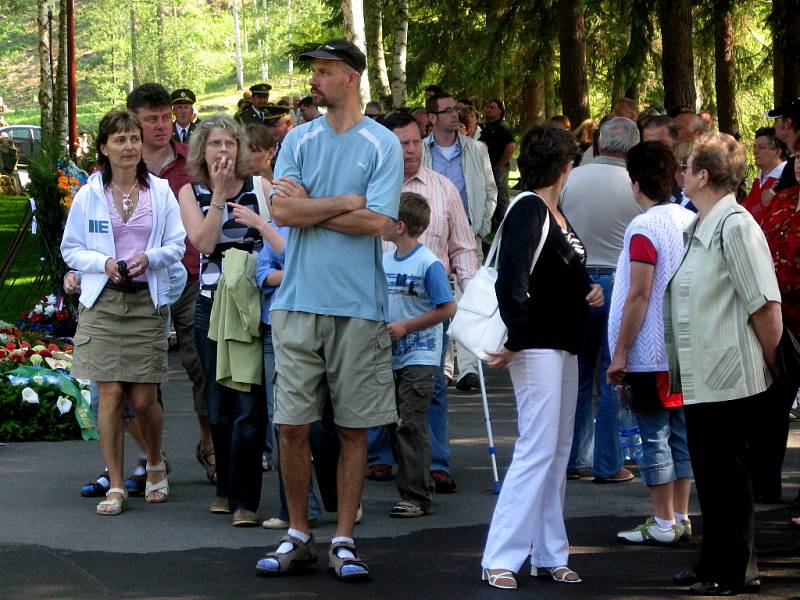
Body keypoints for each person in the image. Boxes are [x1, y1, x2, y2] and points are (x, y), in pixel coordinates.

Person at [254, 38, 402, 581]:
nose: (314, 80)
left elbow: (381, 223)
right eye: (313, 71)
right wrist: (345, 201)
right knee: (290, 426)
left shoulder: (382, 144)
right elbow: (283, 211)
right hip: (297, 303)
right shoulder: (298, 139)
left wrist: (307, 207)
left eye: (325, 71)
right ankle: (298, 534)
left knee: (354, 430)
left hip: (359, 307)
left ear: (352, 78)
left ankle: (343, 538)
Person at [480, 125, 603, 590]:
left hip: (561, 342)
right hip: (537, 345)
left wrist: (585, 288)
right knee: (537, 449)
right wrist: (516, 338)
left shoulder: (553, 210)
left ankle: (551, 552)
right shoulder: (530, 208)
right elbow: (510, 281)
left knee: (555, 450)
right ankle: (501, 555)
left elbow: (554, 273)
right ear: (565, 166)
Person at [665, 132, 782, 596]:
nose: (681, 171)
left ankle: (736, 570)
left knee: (729, 480)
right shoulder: (702, 224)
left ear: (704, 175)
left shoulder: (735, 225)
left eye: (688, 164)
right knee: (712, 477)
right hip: (704, 377)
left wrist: (774, 368)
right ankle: (712, 561)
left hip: (732, 377)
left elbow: (765, 306)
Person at [61, 108, 186, 515]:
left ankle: (154, 463)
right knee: (110, 395)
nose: (129, 145)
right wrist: (103, 263)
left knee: (145, 398)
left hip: (145, 302)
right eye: (120, 139)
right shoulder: (89, 193)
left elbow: (178, 245)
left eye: (134, 138)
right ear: (104, 148)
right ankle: (116, 484)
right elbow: (71, 249)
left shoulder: (161, 192)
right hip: (103, 301)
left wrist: (149, 258)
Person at [366, 111, 477, 485]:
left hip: (431, 305)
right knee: (381, 380)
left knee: (430, 385)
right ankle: (380, 454)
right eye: (402, 144)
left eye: (415, 142)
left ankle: (436, 462)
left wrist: (473, 294)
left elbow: (462, 246)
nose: (411, 150)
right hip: (380, 302)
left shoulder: (443, 188)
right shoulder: (373, 190)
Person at [178, 114, 273, 527]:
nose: (223, 152)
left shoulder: (261, 189)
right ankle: (225, 487)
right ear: (202, 150)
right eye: (215, 144)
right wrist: (216, 195)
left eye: (229, 144)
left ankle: (246, 501)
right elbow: (203, 242)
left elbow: (277, 243)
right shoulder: (188, 192)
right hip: (210, 308)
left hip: (251, 307)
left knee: (248, 405)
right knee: (218, 405)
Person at [606, 141, 695, 545]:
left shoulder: (645, 227)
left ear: (636, 182)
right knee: (680, 433)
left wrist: (621, 350)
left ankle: (663, 521)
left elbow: (639, 293)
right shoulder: (689, 219)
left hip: (651, 352)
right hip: (684, 350)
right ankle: (679, 515)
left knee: (653, 434)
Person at [126, 83, 212, 487]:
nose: (161, 126)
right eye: (151, 119)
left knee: (201, 366)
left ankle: (210, 447)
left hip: (190, 274)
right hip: (139, 283)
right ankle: (151, 457)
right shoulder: (119, 166)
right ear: (134, 121)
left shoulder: (191, 164)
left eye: (165, 117)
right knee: (145, 373)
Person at [560, 117, 642, 484]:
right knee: (613, 375)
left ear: (597, 144)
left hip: (575, 279)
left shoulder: (573, 177)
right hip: (618, 280)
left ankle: (577, 458)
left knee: (577, 375)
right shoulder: (635, 186)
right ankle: (609, 463)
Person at [422, 92, 496, 490]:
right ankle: (447, 366)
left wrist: (480, 224)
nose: (458, 116)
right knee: (440, 304)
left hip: (466, 232)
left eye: (458, 110)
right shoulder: (423, 151)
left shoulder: (476, 149)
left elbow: (489, 188)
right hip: (428, 236)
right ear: (433, 118)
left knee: (467, 300)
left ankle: (467, 367)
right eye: (449, 110)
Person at [380, 191, 456, 517]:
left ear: (399, 226)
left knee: (410, 423)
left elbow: (447, 308)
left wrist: (407, 326)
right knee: (394, 423)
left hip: (421, 355)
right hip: (390, 355)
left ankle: (416, 496)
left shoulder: (428, 263)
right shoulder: (384, 260)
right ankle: (414, 482)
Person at [749, 154, 800, 504]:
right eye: (798, 158)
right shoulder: (784, 199)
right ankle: (766, 485)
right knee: (773, 403)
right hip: (784, 316)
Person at [480, 98, 516, 234]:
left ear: (500, 110)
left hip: (498, 167)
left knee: (501, 196)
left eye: (492, 107)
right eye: (487, 107)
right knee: (489, 196)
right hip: (486, 168)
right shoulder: (487, 127)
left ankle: (504, 227)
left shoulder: (504, 126)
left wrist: (501, 164)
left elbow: (511, 145)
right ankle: (492, 227)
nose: (488, 109)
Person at [742, 127, 788, 224]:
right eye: (754, 147)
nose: (755, 151)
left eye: (761, 147)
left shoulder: (787, 179)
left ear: (777, 152)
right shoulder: (758, 181)